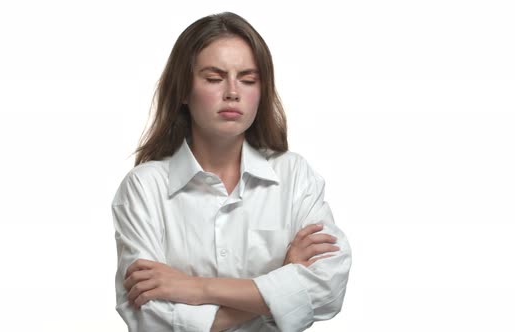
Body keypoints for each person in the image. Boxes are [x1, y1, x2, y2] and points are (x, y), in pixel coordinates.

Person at [111, 12, 351, 332]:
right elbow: (150, 318)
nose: (233, 92)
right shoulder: (145, 188)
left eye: (248, 79)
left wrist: (196, 288)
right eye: (214, 78)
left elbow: (328, 288)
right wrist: (281, 281)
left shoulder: (294, 177)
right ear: (183, 89)